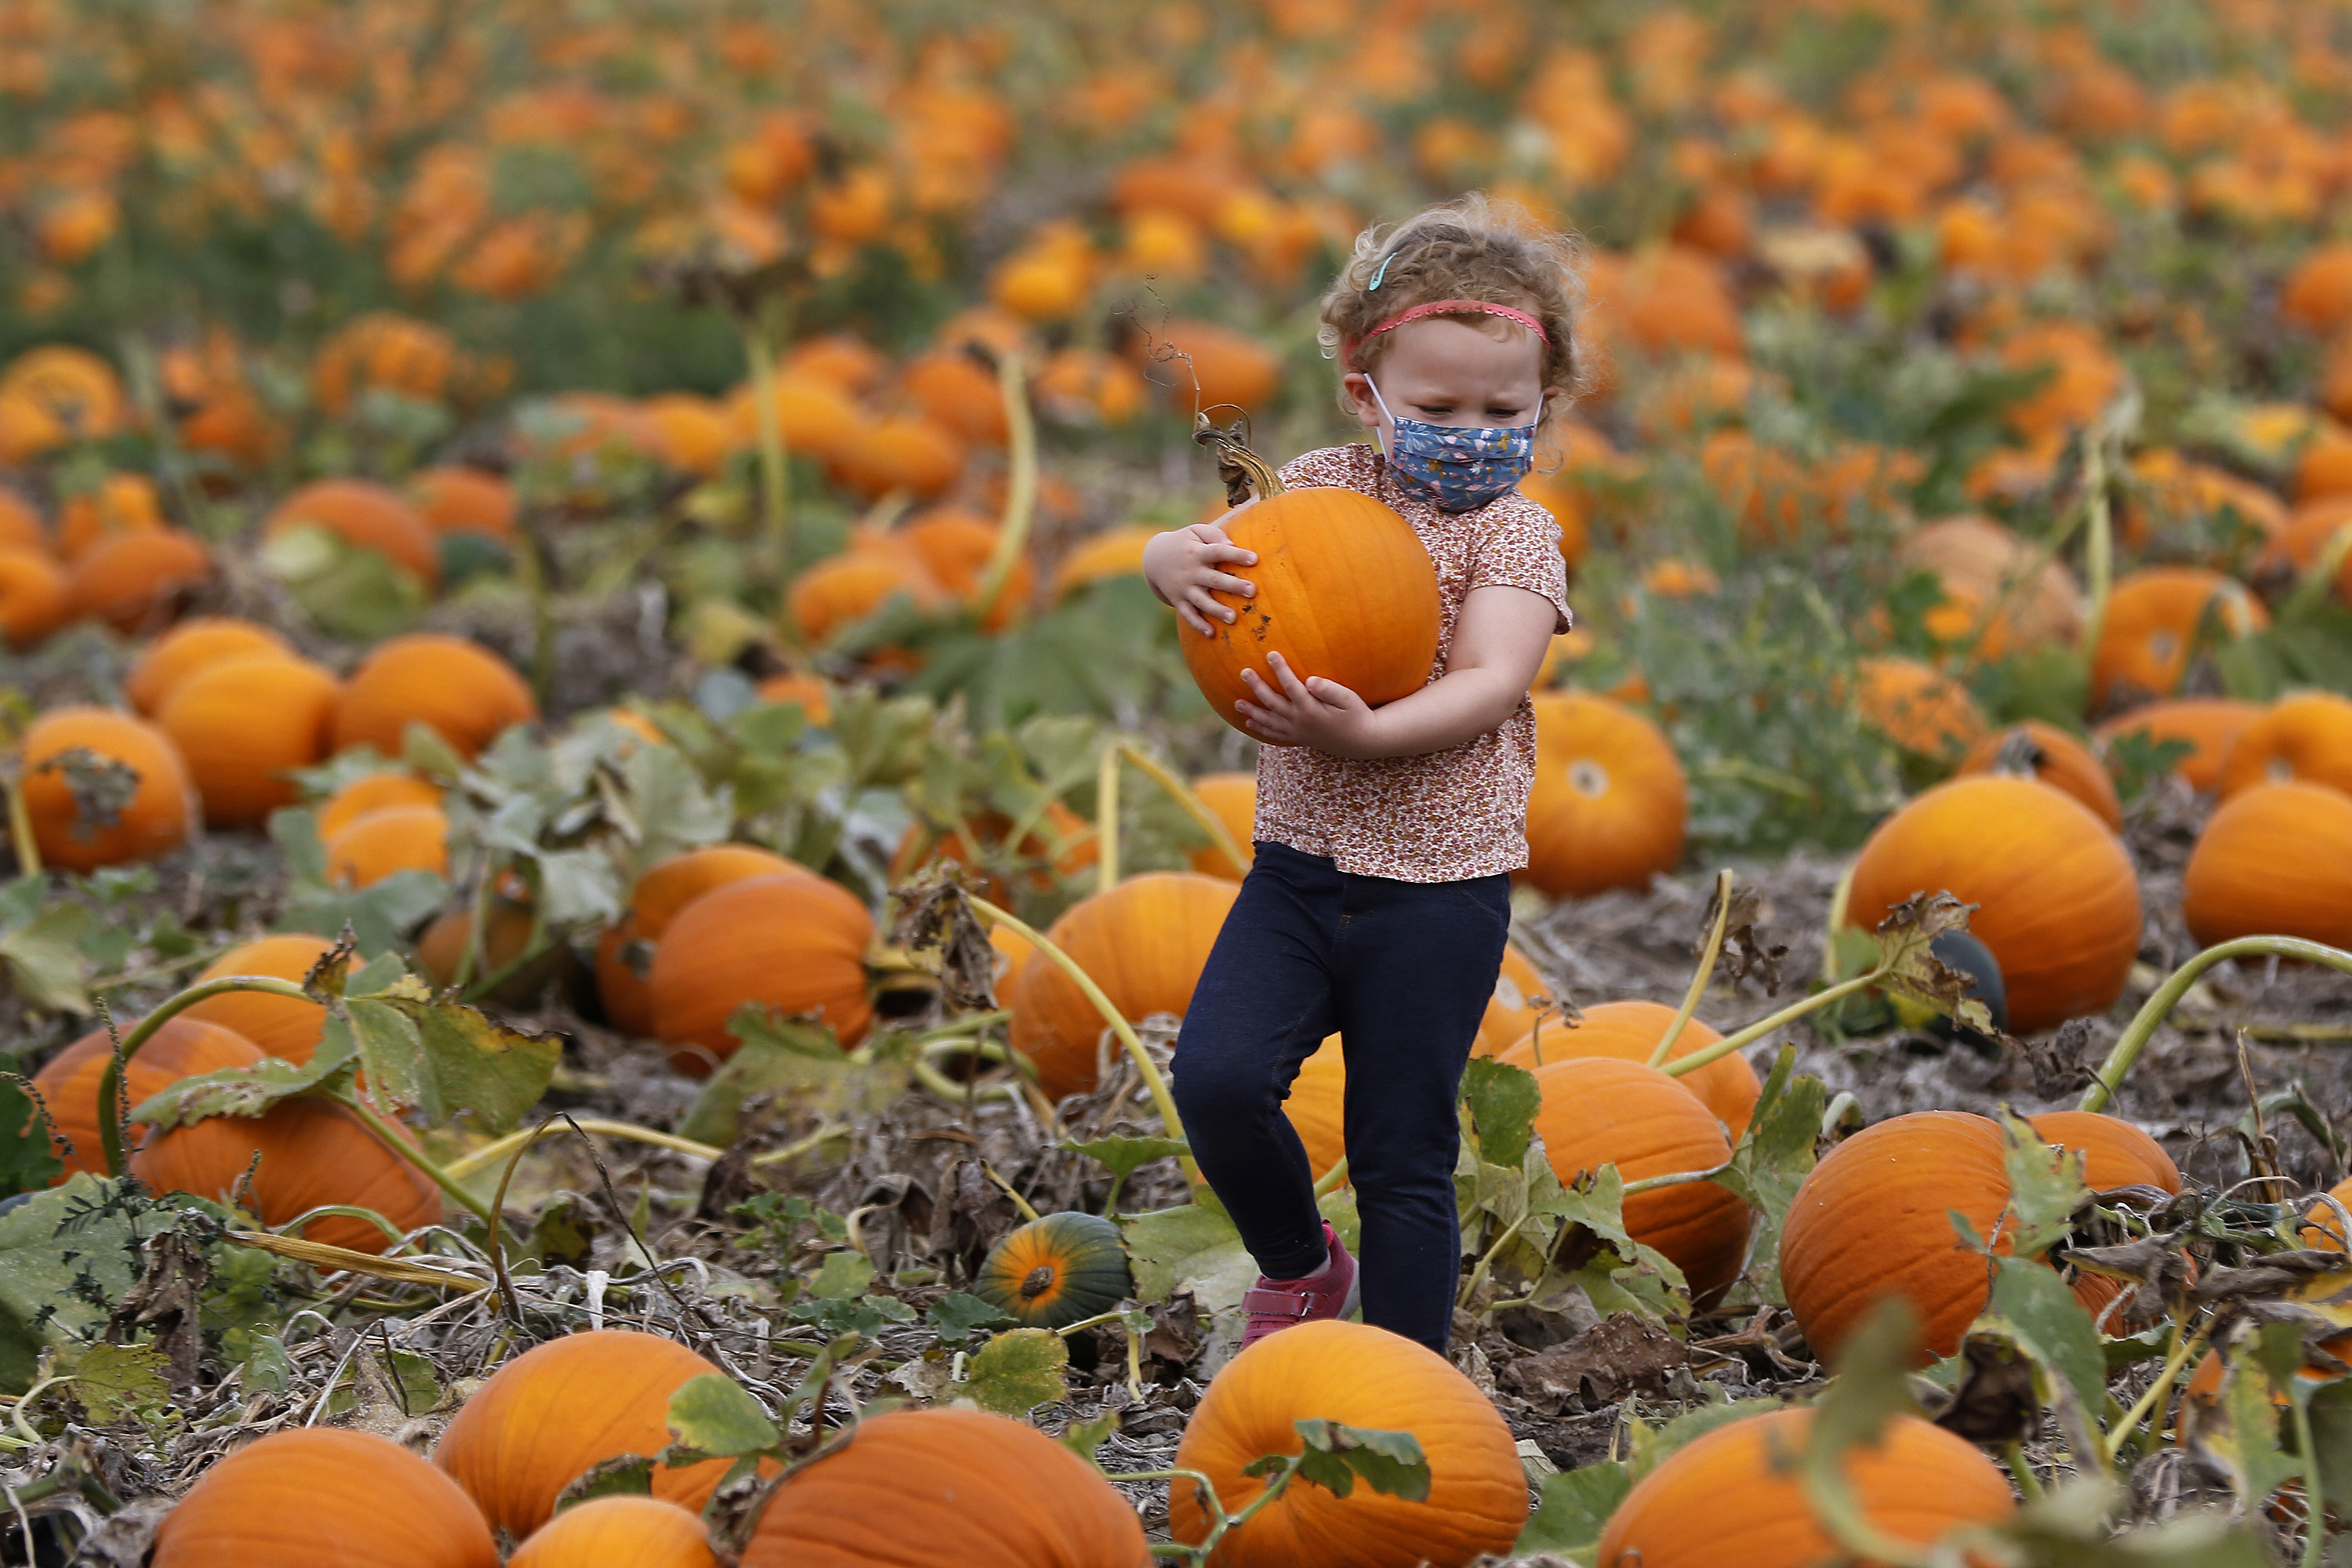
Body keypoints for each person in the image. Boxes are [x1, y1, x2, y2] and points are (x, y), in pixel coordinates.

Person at [1139, 194, 1586, 1356]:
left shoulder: (1517, 534)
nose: (1474, 431)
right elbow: (1219, 556)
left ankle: (1404, 1378)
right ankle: (1299, 1263)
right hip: (1299, 868)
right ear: (1367, 394)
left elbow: (1491, 678)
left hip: (1438, 892)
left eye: (1507, 409)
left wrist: (1371, 737)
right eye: (1439, 407)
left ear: (1548, 404)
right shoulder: (1316, 487)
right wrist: (1164, 559)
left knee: (1403, 1155)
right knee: (1218, 1081)